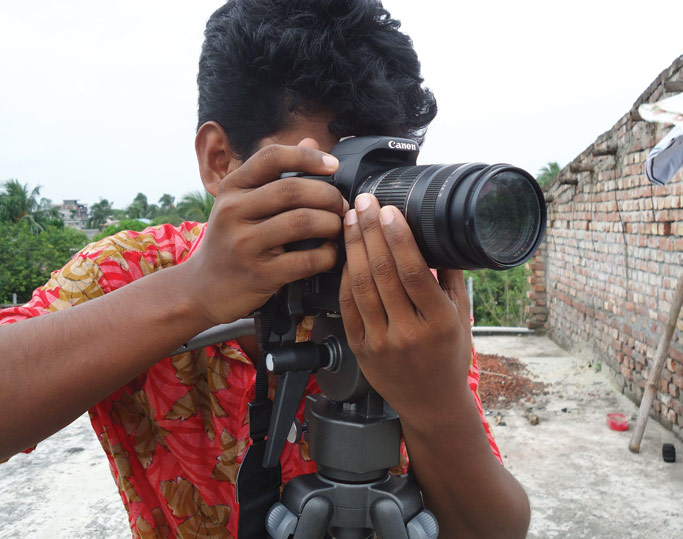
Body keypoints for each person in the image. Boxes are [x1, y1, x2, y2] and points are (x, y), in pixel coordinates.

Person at [0, 0, 530, 537]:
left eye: (384, 174)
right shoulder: (137, 272)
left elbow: (495, 528)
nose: (362, 212)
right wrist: (191, 294)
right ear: (220, 160)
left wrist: (438, 404)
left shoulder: (399, 291)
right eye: (332, 175)